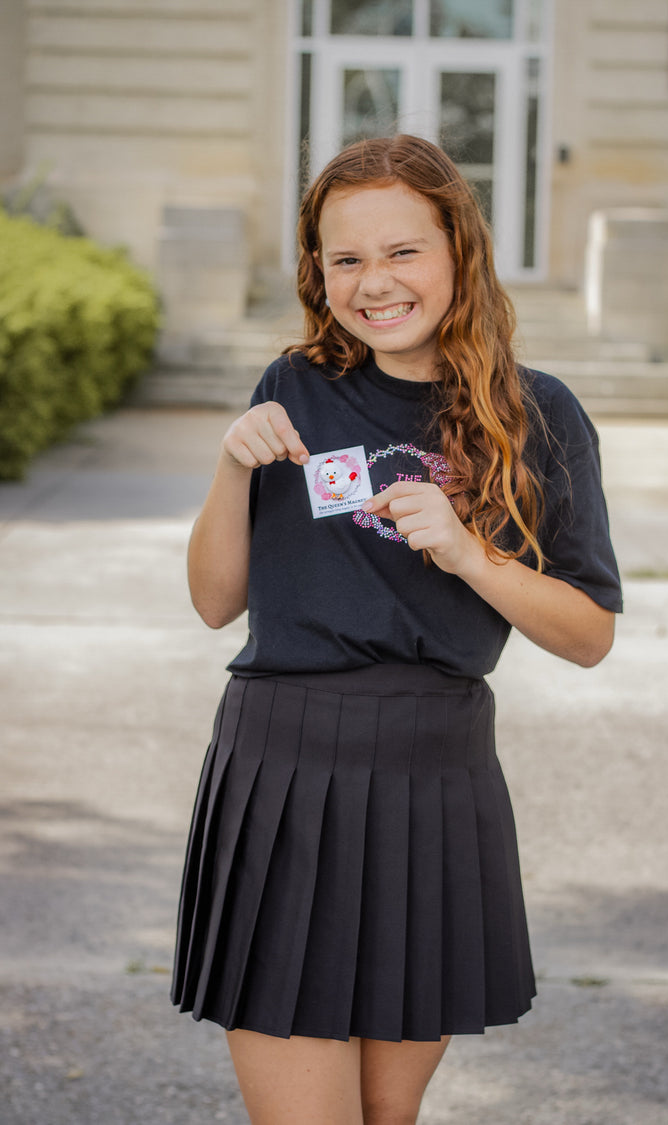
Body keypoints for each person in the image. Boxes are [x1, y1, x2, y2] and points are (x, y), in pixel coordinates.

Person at [171, 134, 622, 1125]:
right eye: (346, 259)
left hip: (435, 781)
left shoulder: (537, 415)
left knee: (386, 1117)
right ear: (318, 272)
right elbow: (213, 602)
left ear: (460, 249)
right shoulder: (293, 388)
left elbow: (589, 634)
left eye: (402, 250)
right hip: (281, 774)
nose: (374, 282)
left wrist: (470, 554)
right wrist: (232, 468)